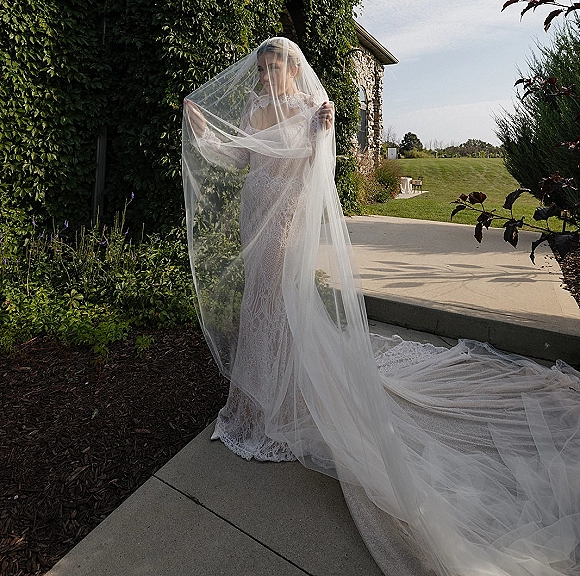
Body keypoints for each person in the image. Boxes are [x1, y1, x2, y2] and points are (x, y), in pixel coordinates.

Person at [183, 37, 580, 576]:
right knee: (261, 307)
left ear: (292, 71)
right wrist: (207, 133)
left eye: (277, 67)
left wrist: (324, 133)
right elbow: (240, 158)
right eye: (264, 67)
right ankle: (256, 397)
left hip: (284, 220)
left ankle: (282, 398)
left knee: (277, 307)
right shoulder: (256, 109)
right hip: (254, 214)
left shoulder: (307, 109)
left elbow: (313, 165)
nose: (269, 74)